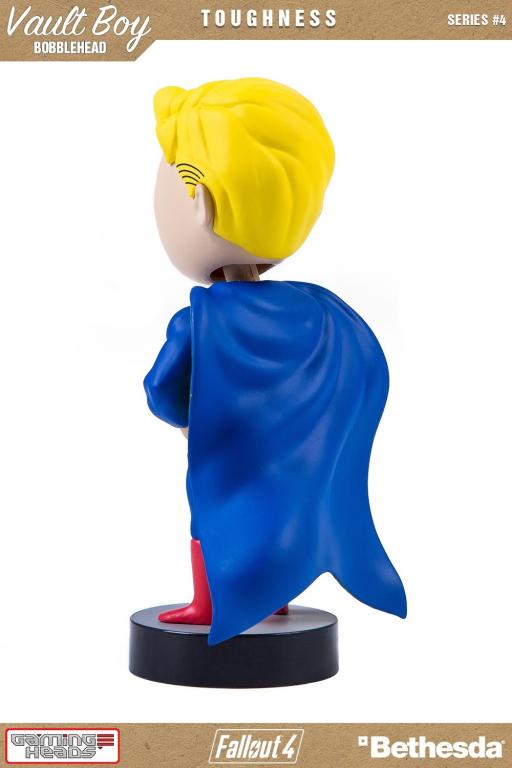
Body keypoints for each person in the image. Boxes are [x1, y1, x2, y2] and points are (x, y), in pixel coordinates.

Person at [144, 77, 406, 645]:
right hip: (292, 462)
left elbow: (163, 392)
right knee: (281, 514)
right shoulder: (324, 312)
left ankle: (208, 604)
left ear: (199, 202)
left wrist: (184, 417)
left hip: (222, 457)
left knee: (209, 517)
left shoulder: (198, 320)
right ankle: (274, 595)